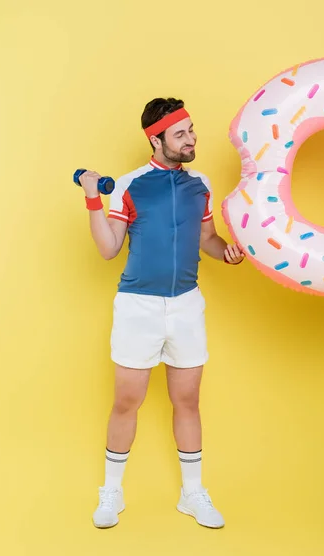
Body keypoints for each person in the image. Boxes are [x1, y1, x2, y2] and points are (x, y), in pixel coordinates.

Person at [79, 98, 244, 529]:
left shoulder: (201, 185)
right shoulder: (131, 185)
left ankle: (193, 494)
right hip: (139, 307)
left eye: (191, 130)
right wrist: (93, 199)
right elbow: (108, 248)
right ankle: (111, 492)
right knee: (127, 401)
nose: (191, 139)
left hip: (187, 304)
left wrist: (224, 251)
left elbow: (207, 237)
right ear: (157, 140)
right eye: (181, 133)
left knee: (187, 401)